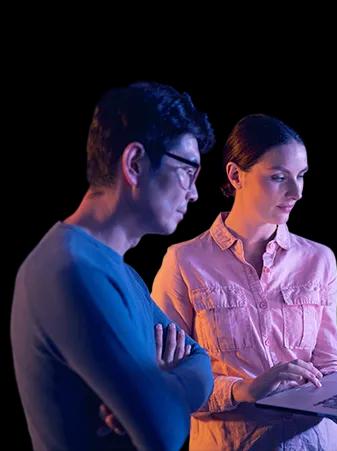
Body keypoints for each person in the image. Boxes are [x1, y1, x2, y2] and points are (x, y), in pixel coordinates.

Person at [151, 114, 337, 450]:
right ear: (235, 176)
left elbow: (331, 367)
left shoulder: (319, 259)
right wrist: (243, 390)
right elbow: (167, 383)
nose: (296, 192)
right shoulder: (184, 261)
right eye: (278, 177)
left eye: (301, 176)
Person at [10, 81, 215, 451]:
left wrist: (159, 387)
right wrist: (161, 386)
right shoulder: (70, 269)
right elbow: (164, 430)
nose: (195, 192)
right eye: (188, 170)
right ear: (135, 163)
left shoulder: (123, 274)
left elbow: (203, 363)